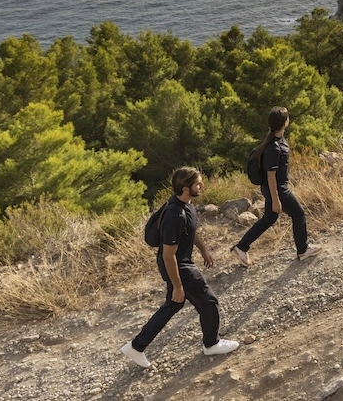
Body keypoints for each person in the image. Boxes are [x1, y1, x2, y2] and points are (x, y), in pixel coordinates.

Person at [119, 167, 239, 368]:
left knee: (173, 305)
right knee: (209, 302)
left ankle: (136, 346)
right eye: (198, 183)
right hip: (178, 265)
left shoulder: (186, 206)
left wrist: (203, 250)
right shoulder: (175, 215)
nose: (202, 186)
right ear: (185, 188)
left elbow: (191, 231)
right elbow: (168, 255)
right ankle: (212, 344)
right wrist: (177, 285)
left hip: (180, 262)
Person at [231, 106, 323, 266]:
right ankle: (303, 249)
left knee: (268, 219)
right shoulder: (274, 147)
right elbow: (270, 175)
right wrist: (275, 199)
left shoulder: (274, 141)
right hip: (278, 190)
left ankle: (241, 247)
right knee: (299, 214)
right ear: (285, 122)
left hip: (273, 189)